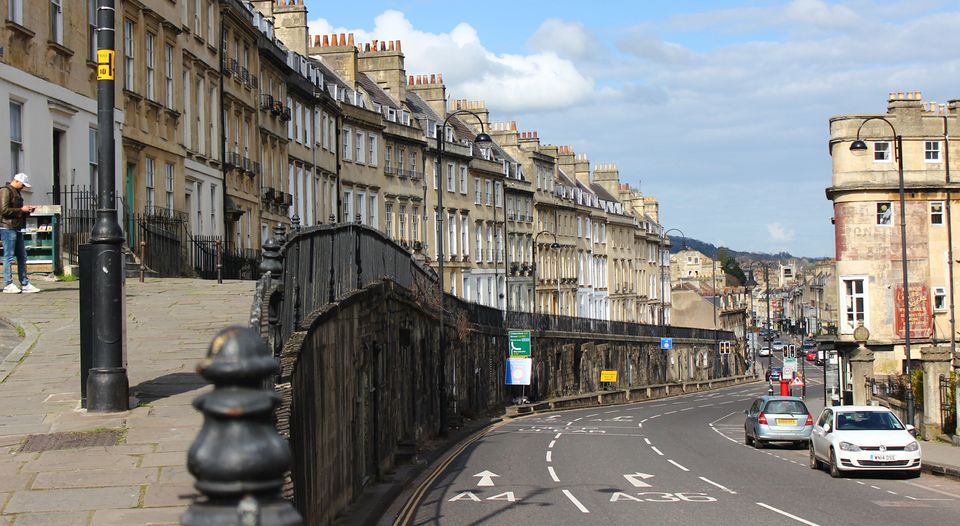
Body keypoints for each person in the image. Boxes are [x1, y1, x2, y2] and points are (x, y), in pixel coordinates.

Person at [1, 173, 40, 293]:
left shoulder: (16, 192)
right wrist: (21, 210)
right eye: (23, 185)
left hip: (16, 227)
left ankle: (25, 283)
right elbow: (4, 210)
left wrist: (26, 211)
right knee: (8, 256)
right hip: (7, 227)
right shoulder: (5, 191)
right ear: (16, 181)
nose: (23, 187)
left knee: (22, 256)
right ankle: (8, 284)